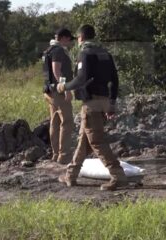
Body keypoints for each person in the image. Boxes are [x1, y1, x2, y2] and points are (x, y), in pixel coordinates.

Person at [56, 24, 127, 191]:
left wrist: (64, 87)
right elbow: (114, 80)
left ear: (80, 37)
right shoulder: (105, 53)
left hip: (92, 104)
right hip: (103, 101)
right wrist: (111, 102)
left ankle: (119, 176)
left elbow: (81, 79)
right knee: (83, 141)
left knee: (96, 141)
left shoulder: (85, 53)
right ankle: (70, 175)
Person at [42, 28, 75, 164]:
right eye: (68, 39)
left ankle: (56, 155)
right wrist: (65, 88)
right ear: (63, 38)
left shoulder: (48, 50)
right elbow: (56, 70)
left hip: (49, 91)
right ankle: (64, 155)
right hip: (58, 92)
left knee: (55, 123)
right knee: (67, 122)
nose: (69, 42)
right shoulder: (58, 51)